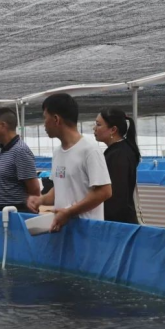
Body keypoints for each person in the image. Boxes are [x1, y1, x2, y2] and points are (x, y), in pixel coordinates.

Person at [27, 93, 112, 232]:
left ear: (56, 119)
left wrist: (70, 212)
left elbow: (105, 191)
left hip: (87, 233)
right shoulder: (57, 153)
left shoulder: (89, 150)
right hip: (64, 232)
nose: (44, 124)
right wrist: (41, 200)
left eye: (45, 118)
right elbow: (60, 189)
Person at [0, 107, 40, 212]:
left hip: (14, 214)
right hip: (0, 214)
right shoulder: (2, 149)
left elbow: (34, 189)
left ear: (3, 125)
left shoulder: (20, 150)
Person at [93, 108, 141, 224]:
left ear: (113, 130)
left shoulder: (119, 155)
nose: (94, 128)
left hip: (118, 223)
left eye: (98, 125)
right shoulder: (118, 150)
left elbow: (116, 195)